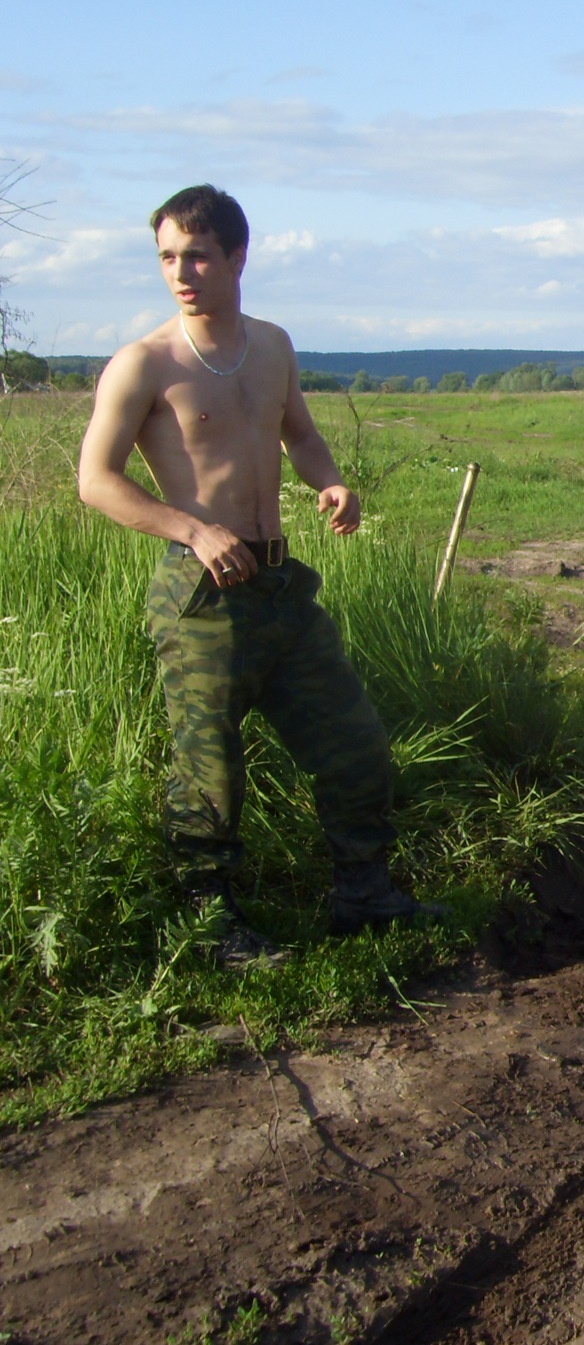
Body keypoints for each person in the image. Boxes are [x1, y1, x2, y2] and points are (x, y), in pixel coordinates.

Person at [77, 184, 440, 958]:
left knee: (355, 740)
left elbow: (300, 435)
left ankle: (363, 893)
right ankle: (212, 926)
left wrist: (331, 480)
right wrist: (192, 528)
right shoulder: (144, 364)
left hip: (280, 586)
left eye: (198, 255)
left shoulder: (272, 345)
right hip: (202, 593)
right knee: (208, 766)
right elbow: (96, 481)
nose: (183, 272)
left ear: (238, 256)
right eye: (169, 257)